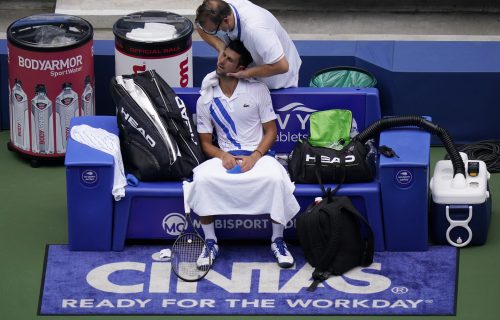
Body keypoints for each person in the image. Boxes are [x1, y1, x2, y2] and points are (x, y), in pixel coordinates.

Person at [185, 40, 300, 269]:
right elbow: (206, 143)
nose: (222, 61)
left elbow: (271, 132)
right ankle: (210, 242)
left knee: (277, 179)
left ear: (240, 68)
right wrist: (222, 155)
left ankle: (277, 240)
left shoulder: (258, 90)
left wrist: (255, 156)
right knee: (203, 179)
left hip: (257, 157)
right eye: (222, 55)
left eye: (229, 59)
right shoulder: (206, 98)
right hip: (225, 157)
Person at [195, 0, 302, 89]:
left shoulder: (256, 30)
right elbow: (200, 27)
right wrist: (221, 48)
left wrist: (247, 73)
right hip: (250, 76)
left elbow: (282, 66)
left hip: (279, 80)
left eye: (214, 31)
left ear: (226, 21)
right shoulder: (219, 9)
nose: (214, 34)